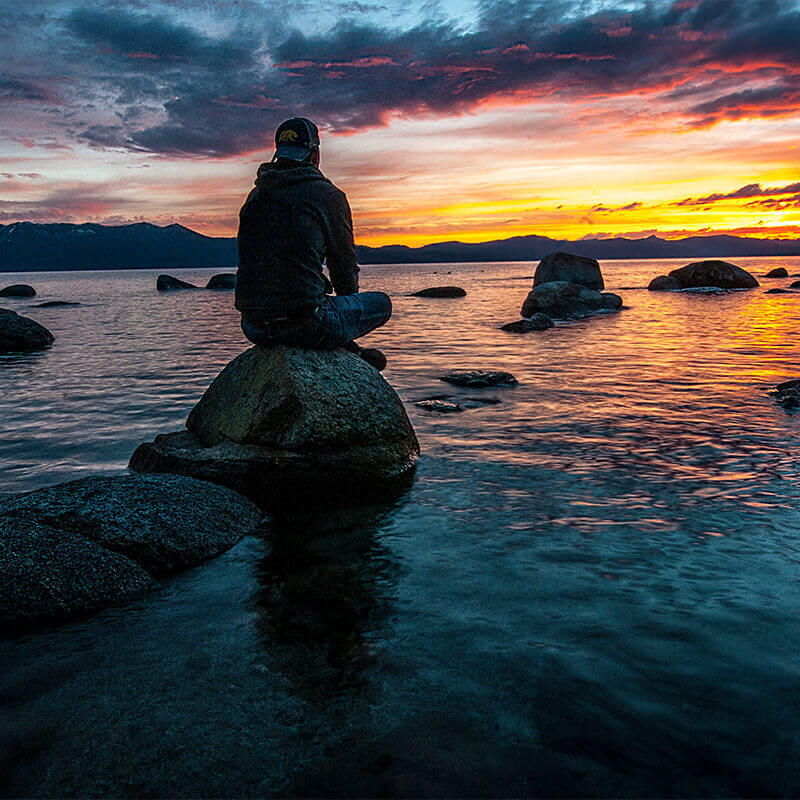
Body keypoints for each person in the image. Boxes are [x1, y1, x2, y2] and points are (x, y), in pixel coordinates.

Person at [235, 117, 391, 371]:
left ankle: (344, 346)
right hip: (306, 324)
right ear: (315, 154)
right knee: (382, 303)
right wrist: (344, 323)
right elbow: (343, 265)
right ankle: (347, 349)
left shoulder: (255, 197)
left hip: (253, 326)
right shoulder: (327, 195)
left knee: (314, 297)